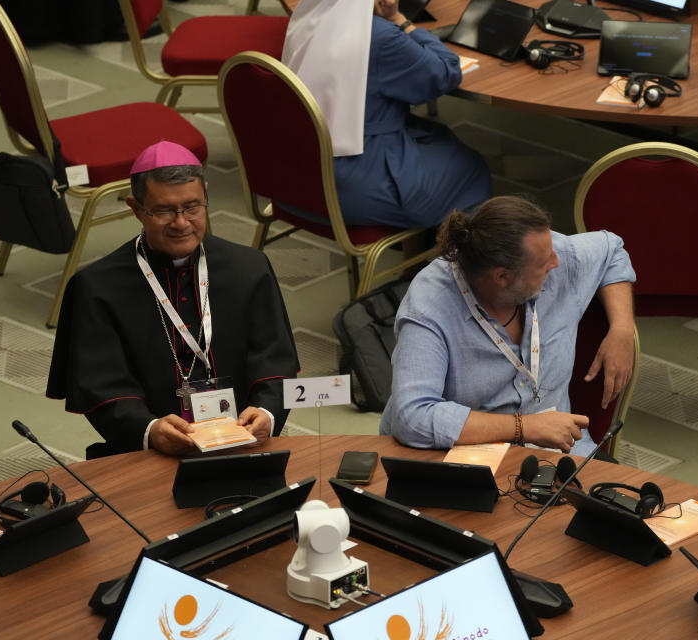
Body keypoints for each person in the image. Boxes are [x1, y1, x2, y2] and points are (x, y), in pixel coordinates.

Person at [47, 141, 300, 457]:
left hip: (244, 442)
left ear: (206, 195)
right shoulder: (97, 287)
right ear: (136, 208)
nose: (181, 223)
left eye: (192, 207)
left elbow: (274, 360)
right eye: (165, 210)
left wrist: (268, 412)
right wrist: (149, 430)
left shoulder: (250, 268)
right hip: (147, 453)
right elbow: (103, 386)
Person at [379, 196, 636, 456]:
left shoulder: (547, 252)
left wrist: (622, 329)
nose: (556, 263)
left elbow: (613, 250)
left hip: (560, 452)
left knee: (625, 495)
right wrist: (523, 427)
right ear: (502, 277)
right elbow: (412, 417)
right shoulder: (430, 305)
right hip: (461, 458)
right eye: (544, 265)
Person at [279, 0, 491, 229]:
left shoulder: (307, 15)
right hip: (349, 186)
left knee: (438, 136)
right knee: (471, 167)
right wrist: (399, 19)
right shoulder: (379, 36)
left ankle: (419, 246)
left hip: (294, 171)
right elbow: (446, 71)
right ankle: (448, 259)